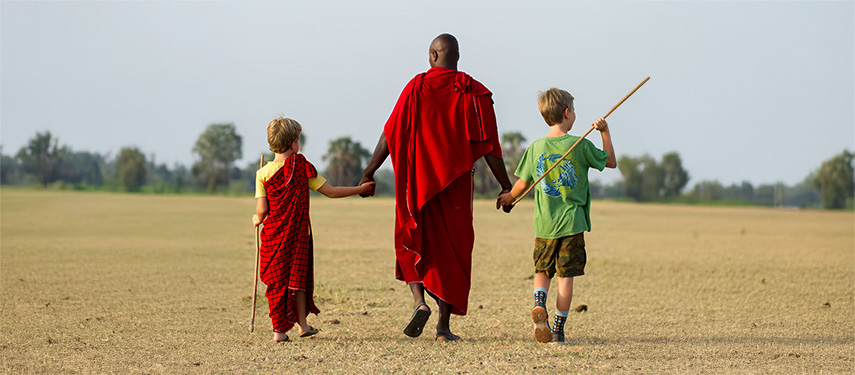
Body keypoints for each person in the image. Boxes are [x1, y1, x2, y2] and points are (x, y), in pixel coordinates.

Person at [359, 33, 513, 342]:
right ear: (457, 57)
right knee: (453, 254)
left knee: (408, 239)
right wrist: (506, 188)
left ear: (433, 55)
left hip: (417, 185)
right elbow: (491, 148)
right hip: (457, 190)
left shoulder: (416, 87)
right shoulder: (474, 92)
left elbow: (390, 134)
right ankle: (443, 328)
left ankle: (419, 302)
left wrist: (369, 171)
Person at [498, 88, 616, 345]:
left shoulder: (536, 147)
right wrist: (604, 131)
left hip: (545, 224)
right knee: (565, 278)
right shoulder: (581, 145)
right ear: (567, 113)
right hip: (572, 225)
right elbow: (610, 162)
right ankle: (559, 331)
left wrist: (509, 199)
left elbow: (521, 184)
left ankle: (540, 303)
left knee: (542, 271)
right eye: (573, 109)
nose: (575, 113)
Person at [252, 115, 374, 342]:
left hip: (273, 237)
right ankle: (303, 325)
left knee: (277, 282)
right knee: (298, 278)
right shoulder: (303, 167)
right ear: (294, 143)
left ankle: (279, 331)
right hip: (298, 236)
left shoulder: (263, 173)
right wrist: (360, 189)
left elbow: (262, 211)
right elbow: (332, 191)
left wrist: (255, 219)